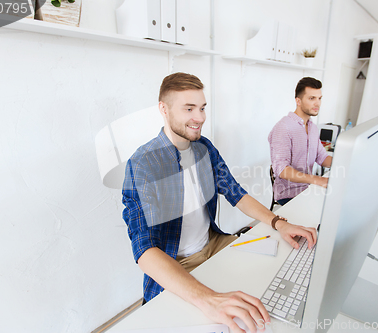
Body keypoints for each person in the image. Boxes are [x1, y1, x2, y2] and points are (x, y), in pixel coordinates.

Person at [122, 72, 318, 333]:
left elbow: (236, 193)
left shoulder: (204, 147)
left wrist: (278, 222)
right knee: (226, 319)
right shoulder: (143, 164)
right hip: (176, 262)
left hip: (213, 243)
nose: (200, 117)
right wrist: (208, 299)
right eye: (189, 108)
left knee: (278, 270)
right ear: (164, 109)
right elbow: (144, 251)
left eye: (202, 108)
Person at [268, 77, 332, 206]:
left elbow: (322, 157)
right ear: (298, 101)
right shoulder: (283, 127)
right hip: (289, 194)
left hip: (308, 189)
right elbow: (282, 170)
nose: (317, 103)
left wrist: (346, 162)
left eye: (319, 98)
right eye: (311, 98)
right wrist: (318, 180)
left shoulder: (313, 127)